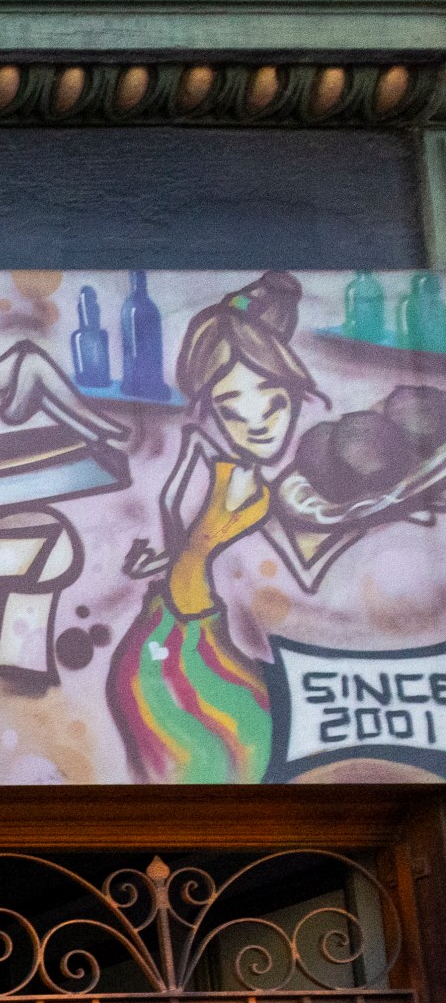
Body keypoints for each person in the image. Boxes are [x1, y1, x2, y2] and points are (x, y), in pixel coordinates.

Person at [106, 274, 319, 783]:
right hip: (167, 649)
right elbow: (191, 547)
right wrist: (153, 566)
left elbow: (208, 556)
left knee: (243, 768)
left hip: (198, 645)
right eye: (231, 409)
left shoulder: (263, 488)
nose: (260, 424)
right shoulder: (205, 466)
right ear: (211, 411)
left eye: (274, 402)